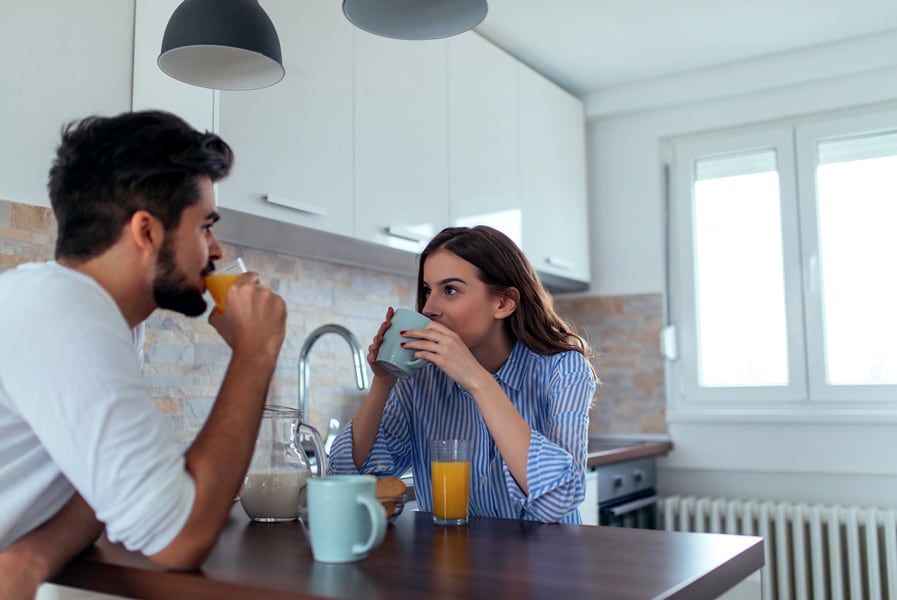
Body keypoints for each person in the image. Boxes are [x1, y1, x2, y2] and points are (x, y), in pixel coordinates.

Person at [0, 110, 287, 597]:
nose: (215, 250)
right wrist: (256, 351)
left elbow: (109, 493)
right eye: (205, 227)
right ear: (147, 231)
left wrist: (36, 554)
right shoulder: (64, 313)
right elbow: (180, 538)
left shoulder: (96, 316)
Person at [328, 225, 598, 523]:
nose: (429, 308)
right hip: (448, 560)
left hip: (544, 565)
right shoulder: (421, 377)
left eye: (451, 290)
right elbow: (348, 478)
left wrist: (478, 381)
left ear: (503, 302)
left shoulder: (564, 369)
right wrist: (382, 382)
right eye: (428, 290)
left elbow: (557, 501)